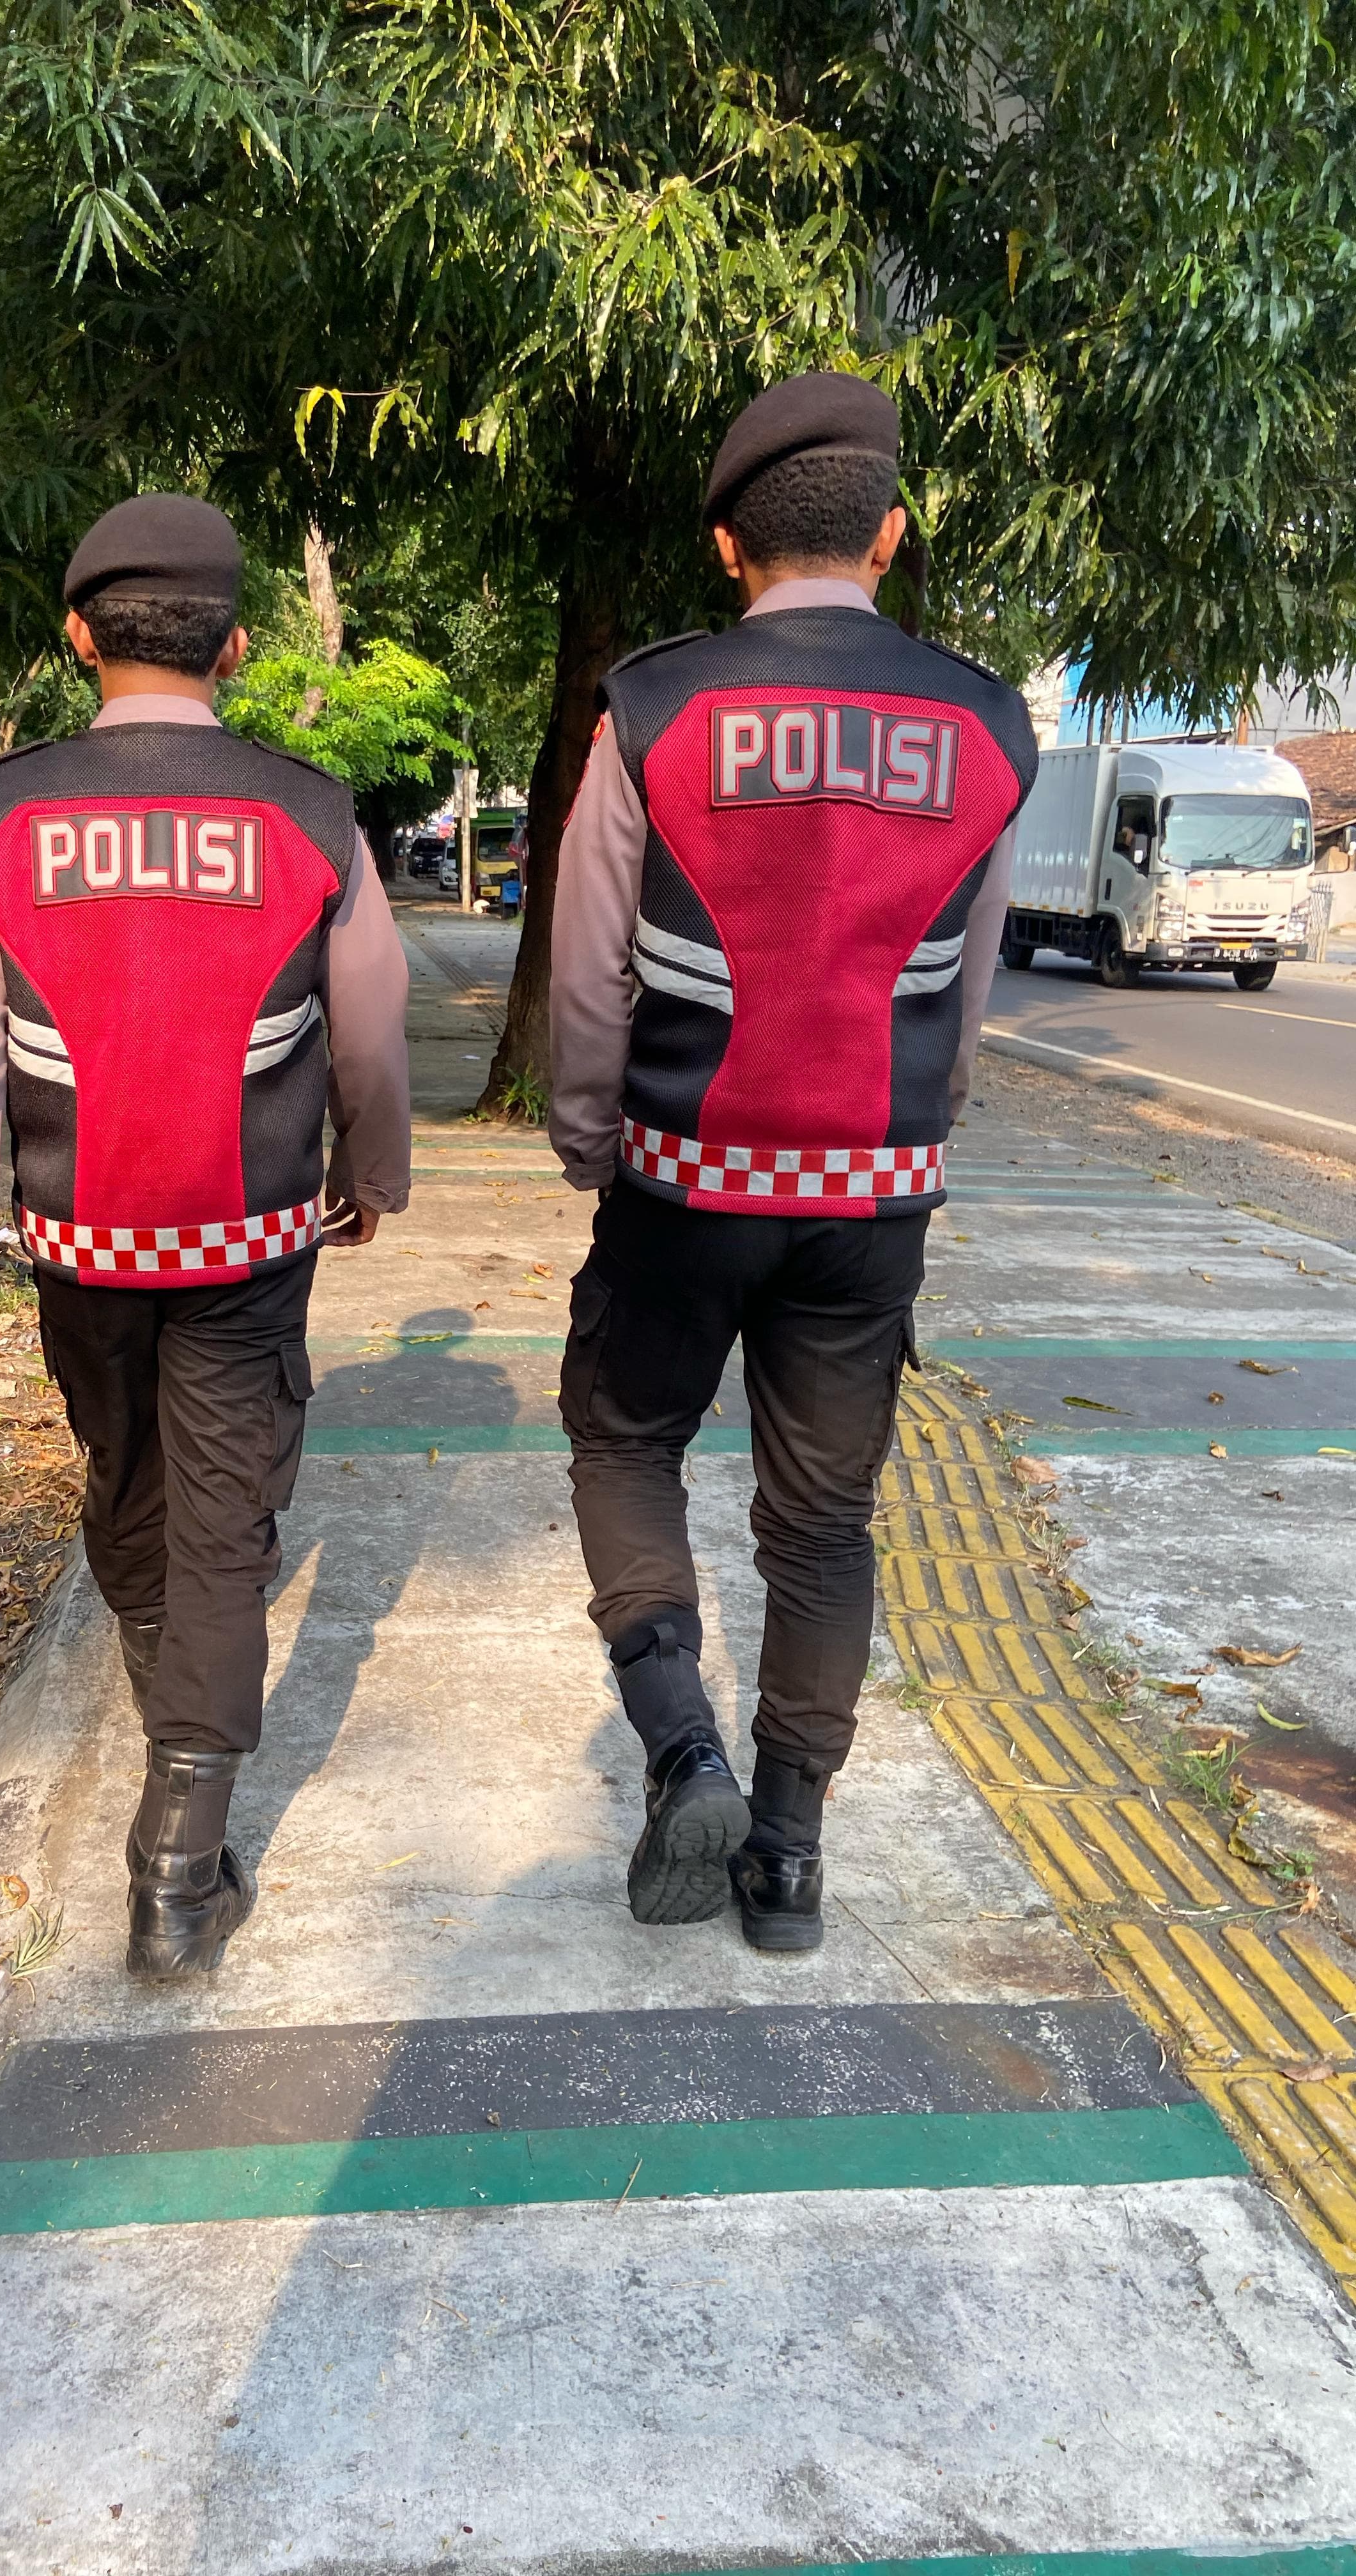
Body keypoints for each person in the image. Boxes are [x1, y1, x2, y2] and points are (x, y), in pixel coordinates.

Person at [0, 494, 411, 1979]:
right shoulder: (310, 813)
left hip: (83, 1248)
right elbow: (369, 1033)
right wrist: (372, 1168)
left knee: (125, 1483)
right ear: (235, 647)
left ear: (79, 637)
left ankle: (168, 1725)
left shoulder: (0, 817)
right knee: (225, 1524)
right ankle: (179, 1872)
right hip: (250, 1239)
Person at [550, 374, 1036, 1951]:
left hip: (682, 1179)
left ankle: (680, 1744)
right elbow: (966, 985)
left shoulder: (654, 708)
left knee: (626, 1442)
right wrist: (916, 1135)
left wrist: (590, 1138)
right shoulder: (987, 724)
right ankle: (789, 1863)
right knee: (824, 1525)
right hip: (871, 1199)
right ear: (889, 535)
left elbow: (590, 970)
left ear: (725, 544)